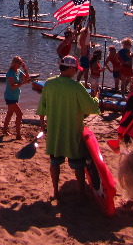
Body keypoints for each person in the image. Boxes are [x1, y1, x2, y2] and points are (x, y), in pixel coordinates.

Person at [36, 55, 99, 201]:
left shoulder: (49, 83)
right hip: (72, 130)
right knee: (78, 164)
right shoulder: (76, 87)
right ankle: (82, 193)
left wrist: (42, 126)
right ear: (70, 68)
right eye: (76, 69)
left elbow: (42, 108)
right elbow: (91, 106)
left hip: (55, 130)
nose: (77, 72)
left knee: (55, 162)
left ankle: (56, 191)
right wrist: (96, 96)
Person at [2, 56, 29, 139]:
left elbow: (27, 78)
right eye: (19, 63)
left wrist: (25, 69)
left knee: (10, 113)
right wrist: (22, 83)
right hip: (10, 96)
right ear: (14, 63)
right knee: (19, 114)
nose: (20, 65)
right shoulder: (10, 73)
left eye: (21, 63)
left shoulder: (18, 71)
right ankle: (18, 135)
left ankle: (4, 130)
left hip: (15, 96)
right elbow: (12, 86)